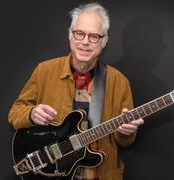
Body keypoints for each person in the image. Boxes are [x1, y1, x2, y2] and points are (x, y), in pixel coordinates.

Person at [8, 2, 144, 180]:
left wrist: (126, 132)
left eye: (94, 36)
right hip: (54, 172)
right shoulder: (44, 71)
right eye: (79, 33)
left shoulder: (119, 82)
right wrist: (32, 113)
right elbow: (15, 113)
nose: (85, 42)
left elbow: (125, 141)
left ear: (104, 42)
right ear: (70, 36)